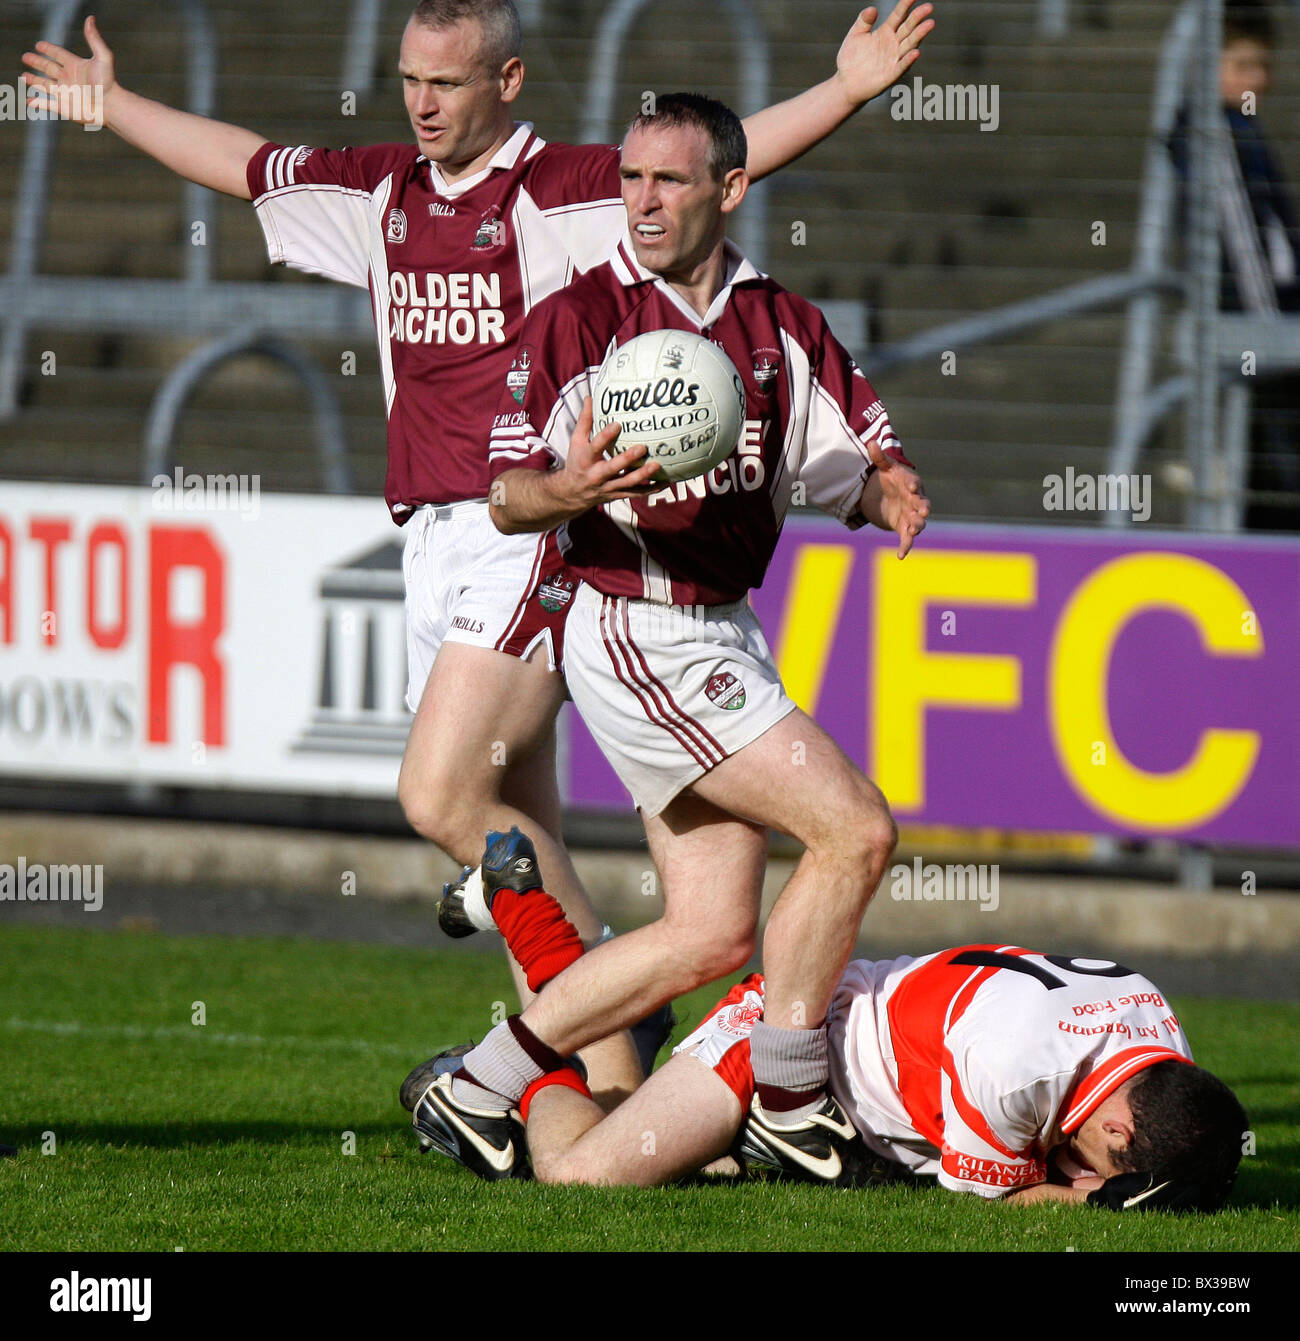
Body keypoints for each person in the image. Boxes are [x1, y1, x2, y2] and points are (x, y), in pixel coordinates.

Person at [20, 0, 937, 1100]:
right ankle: (602, 1066)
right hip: (431, 539)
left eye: (446, 83)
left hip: (529, 523)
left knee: (444, 798)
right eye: (409, 78)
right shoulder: (381, 189)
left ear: (506, 81)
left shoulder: (566, 192)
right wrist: (110, 104)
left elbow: (711, 168)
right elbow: (247, 166)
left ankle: (567, 1043)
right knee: (515, 837)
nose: (420, 102)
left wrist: (841, 91)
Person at [408, 93, 929, 1179]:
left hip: (721, 630)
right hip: (640, 627)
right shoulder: (581, 319)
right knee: (857, 831)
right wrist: (566, 486)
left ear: (728, 191)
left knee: (708, 937)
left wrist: (892, 502)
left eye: (669, 181)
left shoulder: (781, 324)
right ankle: (790, 1093)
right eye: (631, 178)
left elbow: (848, 473)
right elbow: (503, 497)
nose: (639, 201)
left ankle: (482, 1086)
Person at [423, 834, 1248, 1214]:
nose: (1094, 1163)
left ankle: (543, 934)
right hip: (781, 1048)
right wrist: (1105, 1204)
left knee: (622, 1094)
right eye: (1108, 1154)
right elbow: (1004, 1205)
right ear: (1117, 1117)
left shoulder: (1158, 1035)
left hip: (839, 1070)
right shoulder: (1017, 1066)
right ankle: (521, 971)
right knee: (577, 1176)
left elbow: (1128, 1134)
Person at [1169, 0, 1300, 529]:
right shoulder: (1212, 134)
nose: (1259, 80)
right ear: (1206, 64)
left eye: (1265, 66)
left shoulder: (1242, 131)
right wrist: (1278, 336)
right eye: (1243, 65)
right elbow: (1243, 249)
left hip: (1270, 337)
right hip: (1258, 345)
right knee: (1271, 495)